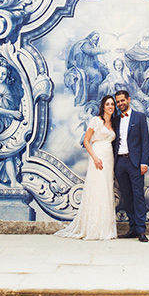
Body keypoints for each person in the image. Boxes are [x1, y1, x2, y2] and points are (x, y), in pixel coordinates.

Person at [55, 95, 118, 240]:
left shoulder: (113, 123)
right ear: (103, 106)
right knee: (97, 189)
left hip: (109, 159)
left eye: (112, 104)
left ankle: (105, 228)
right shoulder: (96, 121)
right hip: (98, 157)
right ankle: (94, 228)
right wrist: (95, 158)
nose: (110, 106)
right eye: (108, 104)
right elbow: (86, 141)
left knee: (107, 189)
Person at [112, 89, 149, 242]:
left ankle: (141, 230)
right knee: (127, 197)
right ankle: (132, 227)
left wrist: (144, 162)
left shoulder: (140, 117)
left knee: (138, 196)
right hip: (120, 163)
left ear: (128, 100)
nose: (120, 103)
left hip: (135, 163)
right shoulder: (116, 120)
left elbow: (145, 142)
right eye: (118, 101)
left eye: (122, 100)